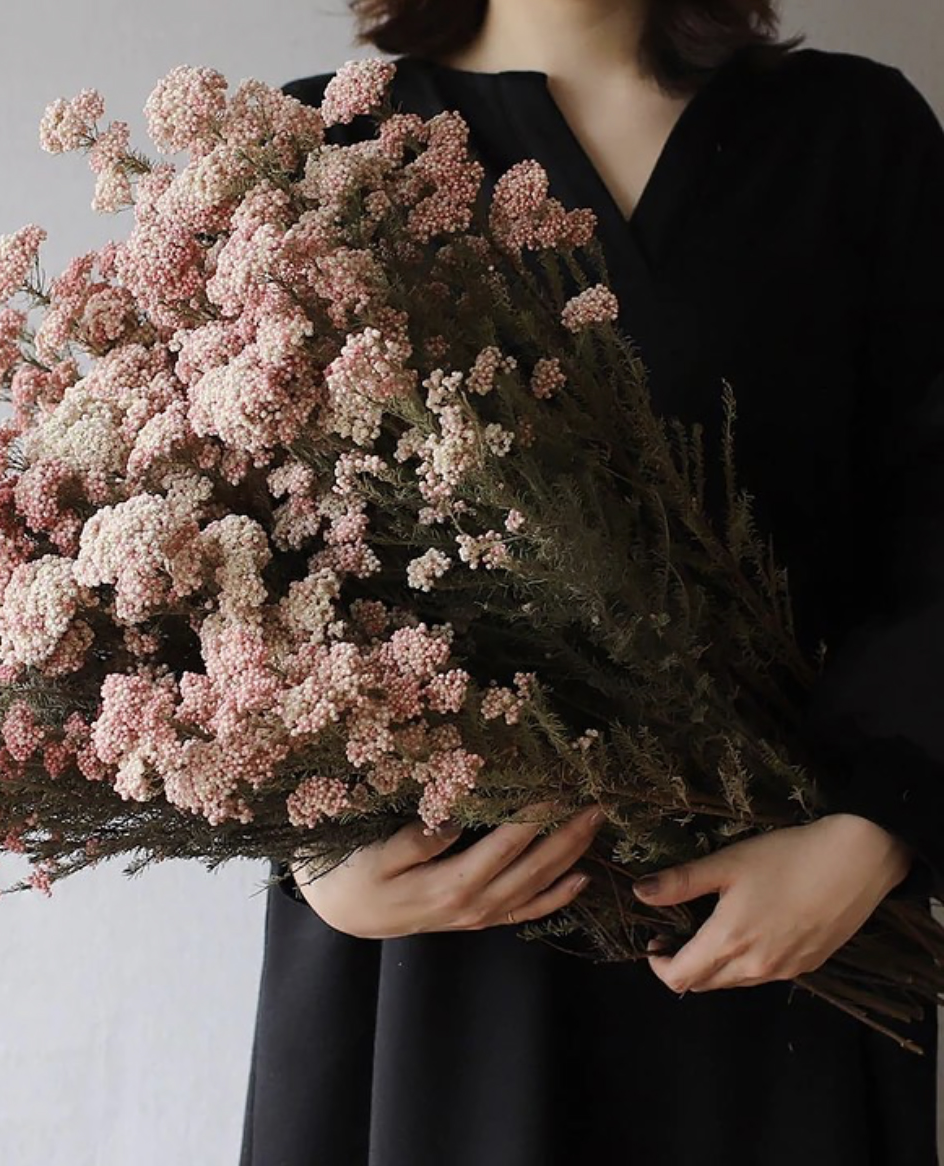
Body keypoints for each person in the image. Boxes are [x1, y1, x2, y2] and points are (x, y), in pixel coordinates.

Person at [239, 1, 944, 1162]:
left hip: (784, 943)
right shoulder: (321, 148)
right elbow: (227, 546)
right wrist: (313, 849)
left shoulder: (851, 139)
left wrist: (876, 830)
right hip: (441, 966)